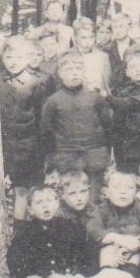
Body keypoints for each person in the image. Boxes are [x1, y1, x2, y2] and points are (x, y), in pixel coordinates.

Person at [40, 51, 113, 197]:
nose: (74, 73)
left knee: (93, 198)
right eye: (69, 69)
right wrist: (52, 159)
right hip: (67, 159)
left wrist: (104, 152)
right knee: (72, 197)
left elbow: (108, 126)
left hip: (94, 157)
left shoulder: (95, 97)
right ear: (60, 73)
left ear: (83, 71)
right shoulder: (53, 101)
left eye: (78, 68)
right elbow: (46, 131)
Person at [8, 184, 92, 278]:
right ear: (30, 210)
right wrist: (26, 277)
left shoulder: (69, 226)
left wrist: (79, 273)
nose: (45, 205)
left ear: (57, 204)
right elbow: (15, 259)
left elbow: (82, 253)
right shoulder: (26, 232)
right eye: (39, 202)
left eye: (49, 200)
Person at [0, 37, 48, 219]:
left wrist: (42, 151)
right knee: (11, 189)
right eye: (9, 57)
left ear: (27, 58)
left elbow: (42, 120)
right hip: (5, 147)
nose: (13, 62)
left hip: (29, 147)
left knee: (26, 190)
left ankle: (27, 229)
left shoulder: (36, 83)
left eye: (19, 57)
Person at [86, 169, 140, 272]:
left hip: (134, 250)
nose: (123, 192)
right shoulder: (103, 209)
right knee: (107, 250)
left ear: (136, 191)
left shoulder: (139, 208)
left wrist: (137, 244)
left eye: (129, 188)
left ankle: (129, 274)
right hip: (109, 250)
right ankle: (108, 275)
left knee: (136, 254)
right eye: (116, 187)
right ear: (106, 191)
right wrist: (116, 239)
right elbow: (93, 227)